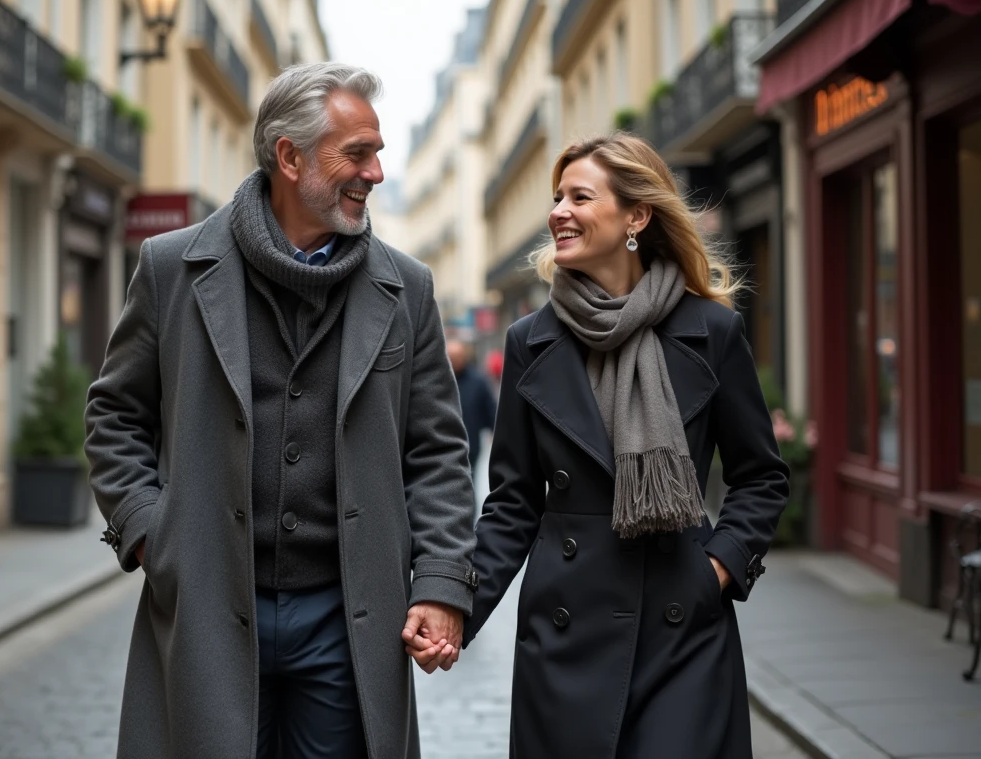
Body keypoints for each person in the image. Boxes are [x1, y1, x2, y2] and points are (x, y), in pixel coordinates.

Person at [84, 63, 478, 759]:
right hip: (208, 605)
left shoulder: (407, 289)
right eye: (357, 153)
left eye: (378, 151)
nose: (377, 172)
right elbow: (114, 416)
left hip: (349, 619)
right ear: (290, 157)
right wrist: (155, 536)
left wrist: (443, 582)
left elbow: (438, 454)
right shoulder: (172, 267)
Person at [416, 133, 789, 757]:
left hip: (681, 628)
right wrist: (456, 606)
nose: (558, 210)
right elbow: (512, 504)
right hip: (566, 643)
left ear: (636, 216)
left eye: (579, 196)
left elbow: (761, 476)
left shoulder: (712, 332)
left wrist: (717, 569)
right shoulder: (529, 342)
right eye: (557, 196)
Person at [446, 338, 497, 478]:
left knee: (468, 481)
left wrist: (496, 433)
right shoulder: (439, 381)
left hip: (471, 444)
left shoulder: (477, 381)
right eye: (451, 357)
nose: (454, 360)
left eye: (458, 356)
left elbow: (490, 409)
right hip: (444, 443)